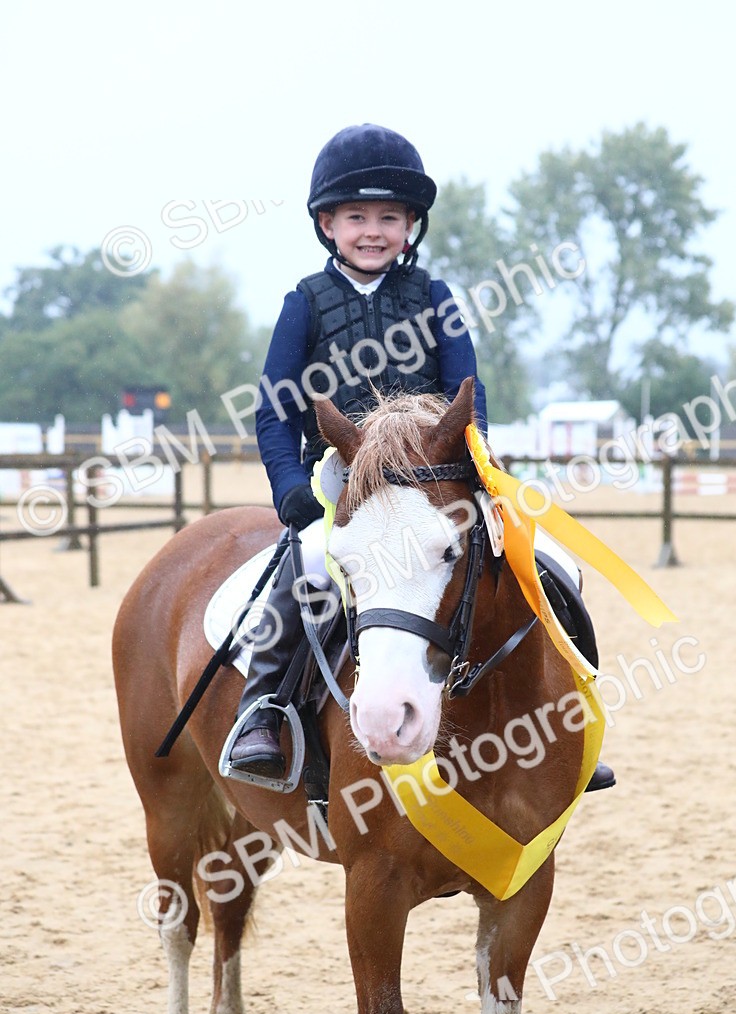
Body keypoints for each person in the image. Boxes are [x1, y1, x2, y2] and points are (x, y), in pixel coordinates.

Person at [228, 122, 614, 793]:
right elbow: (274, 408)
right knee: (314, 562)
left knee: (552, 562)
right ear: (327, 224)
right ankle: (266, 708)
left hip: (438, 478)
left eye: (389, 217)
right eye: (356, 217)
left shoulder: (435, 298)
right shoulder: (305, 303)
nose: (372, 230)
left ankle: (565, 710)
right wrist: (289, 482)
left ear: (411, 226)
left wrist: (478, 465)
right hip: (349, 481)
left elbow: (471, 394)